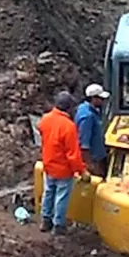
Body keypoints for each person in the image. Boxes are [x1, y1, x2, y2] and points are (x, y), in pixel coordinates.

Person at [38, 91, 90, 235]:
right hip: (63, 169)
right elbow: (73, 154)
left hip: (48, 164)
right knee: (61, 197)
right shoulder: (68, 126)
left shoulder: (45, 119)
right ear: (68, 108)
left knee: (48, 192)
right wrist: (82, 171)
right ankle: (58, 225)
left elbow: (43, 136)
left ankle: (45, 220)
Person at [76, 83, 110, 177]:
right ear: (93, 98)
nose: (103, 101)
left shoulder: (86, 110)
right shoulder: (87, 116)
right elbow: (84, 144)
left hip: (97, 158)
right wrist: (90, 165)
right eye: (101, 99)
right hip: (94, 161)